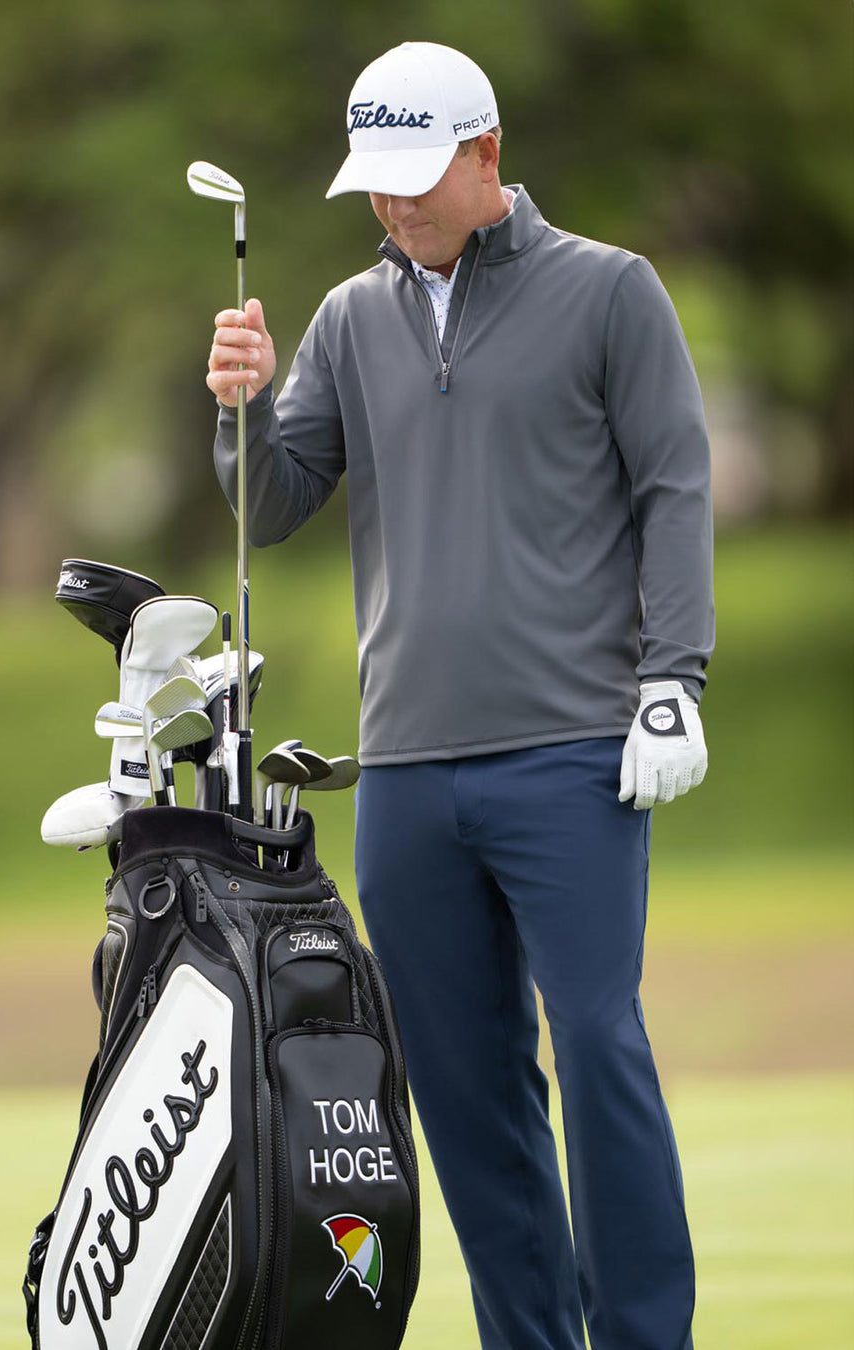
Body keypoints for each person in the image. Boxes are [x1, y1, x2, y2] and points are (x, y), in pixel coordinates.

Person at [206, 40, 713, 1350]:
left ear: (486, 153)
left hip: (571, 753)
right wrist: (240, 410)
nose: (392, 202)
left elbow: (674, 487)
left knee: (597, 1046)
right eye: (373, 181)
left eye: (415, 175)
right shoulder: (349, 318)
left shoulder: (611, 291)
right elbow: (273, 501)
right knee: (461, 1085)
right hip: (408, 767)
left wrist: (674, 677)